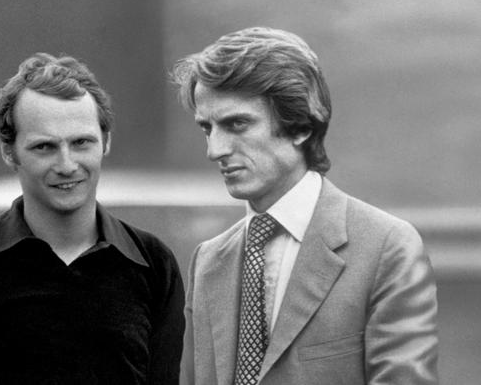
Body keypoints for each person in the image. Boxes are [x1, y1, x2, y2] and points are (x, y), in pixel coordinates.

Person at [172, 27, 438, 385]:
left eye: (237, 124)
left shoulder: (386, 247)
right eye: (207, 128)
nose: (214, 150)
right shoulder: (208, 260)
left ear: (300, 127)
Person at [0, 53, 185, 384]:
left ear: (106, 142)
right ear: (9, 152)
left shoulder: (153, 264)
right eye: (44, 147)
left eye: (81, 143)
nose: (66, 165)